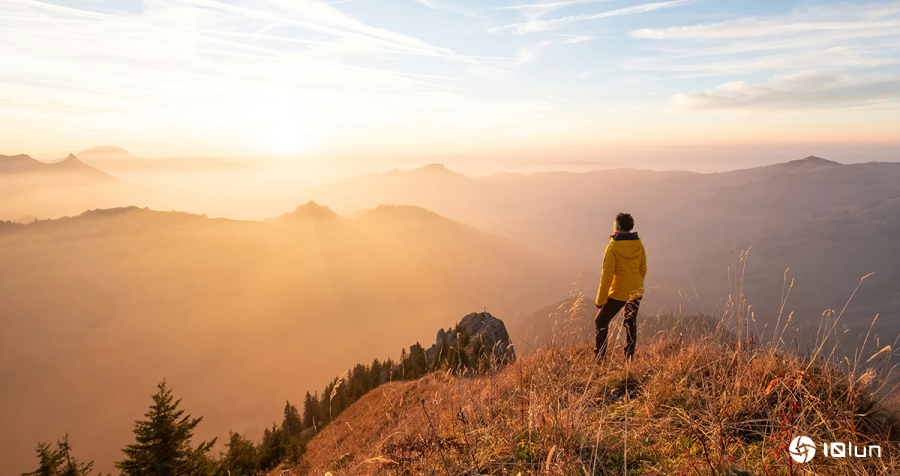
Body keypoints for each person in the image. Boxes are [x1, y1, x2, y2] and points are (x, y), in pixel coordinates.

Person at [594, 213, 647, 360]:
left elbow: (606, 276)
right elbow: (643, 269)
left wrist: (601, 300)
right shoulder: (639, 245)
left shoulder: (613, 248)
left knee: (601, 321)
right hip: (636, 291)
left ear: (616, 226)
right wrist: (635, 284)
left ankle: (600, 357)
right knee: (630, 321)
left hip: (618, 292)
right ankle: (629, 356)